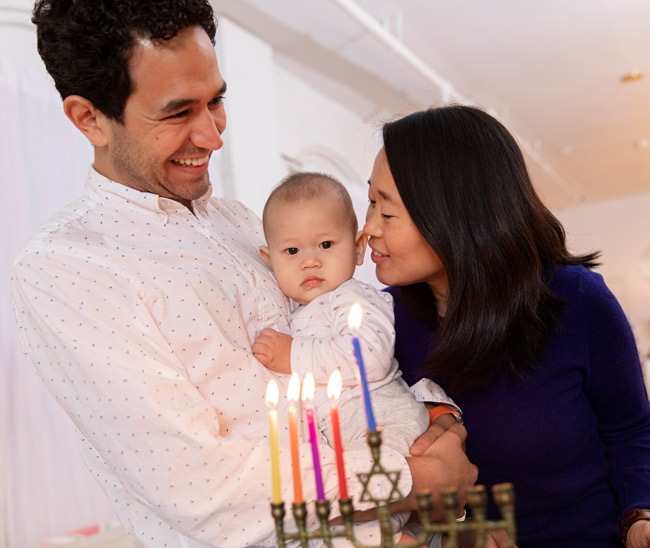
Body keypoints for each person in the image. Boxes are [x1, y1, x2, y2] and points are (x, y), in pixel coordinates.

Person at [10, 1, 478, 547]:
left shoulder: (239, 222)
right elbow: (199, 489)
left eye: (217, 101)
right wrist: (420, 477)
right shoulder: (65, 270)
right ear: (89, 118)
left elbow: (341, 337)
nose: (212, 136)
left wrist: (432, 424)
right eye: (178, 112)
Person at [362, 104, 650, 548]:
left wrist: (638, 515)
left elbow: (630, 428)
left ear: (453, 215)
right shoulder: (381, 325)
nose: (368, 229)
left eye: (387, 211)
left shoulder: (576, 300)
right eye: (370, 202)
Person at [252, 172, 459, 545]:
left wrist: (291, 353)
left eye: (326, 244)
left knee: (368, 503)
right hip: (343, 432)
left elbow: (367, 358)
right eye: (292, 251)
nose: (310, 262)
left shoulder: (354, 298)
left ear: (359, 248)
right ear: (270, 260)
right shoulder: (294, 313)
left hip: (382, 420)